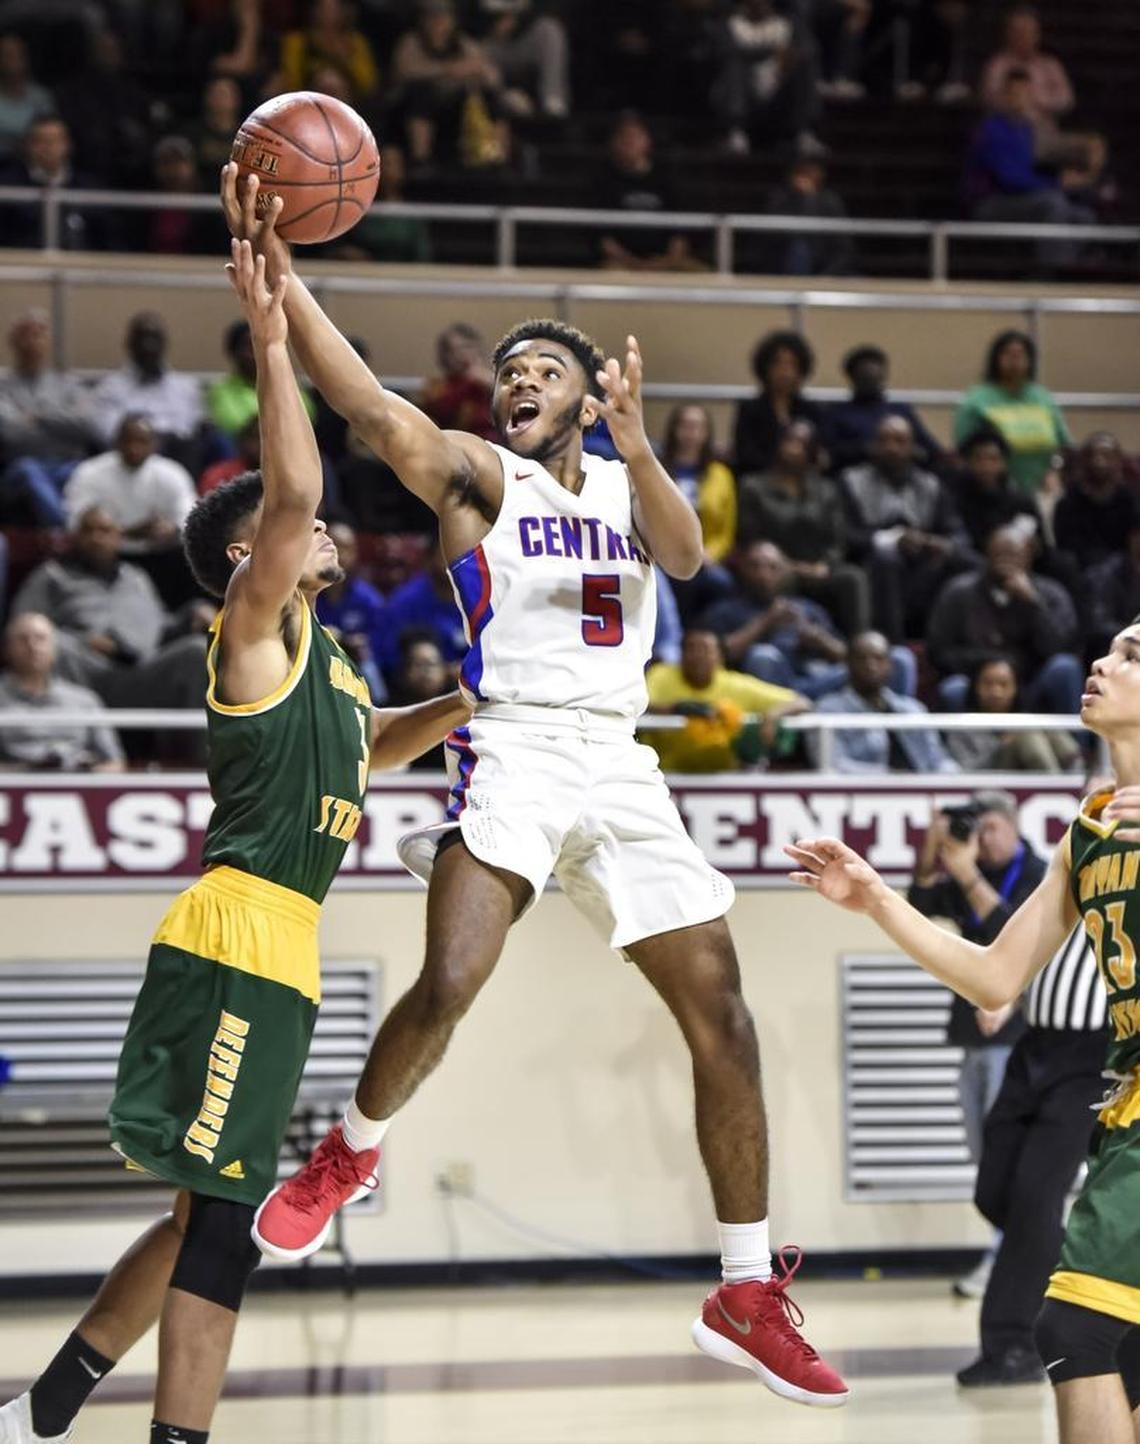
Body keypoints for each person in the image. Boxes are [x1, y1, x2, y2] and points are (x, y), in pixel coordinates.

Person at [223, 164, 849, 1407]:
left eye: (542, 371)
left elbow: (686, 555)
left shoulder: (624, 483)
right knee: (452, 979)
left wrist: (634, 437)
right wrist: (286, 292)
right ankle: (348, 1152)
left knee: (721, 1015)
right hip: (509, 740)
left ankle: (742, 1288)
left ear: (583, 396)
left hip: (621, 761)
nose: (519, 382)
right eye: (508, 370)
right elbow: (370, 413)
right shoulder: (474, 473)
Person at [0, 234, 468, 1444]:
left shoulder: (330, 664)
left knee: (203, 1207)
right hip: (235, 936)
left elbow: (366, 751)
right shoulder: (252, 636)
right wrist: (273, 332)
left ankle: (45, 1406)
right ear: (245, 561)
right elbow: (299, 491)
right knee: (229, 1220)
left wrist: (476, 701)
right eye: (287, 528)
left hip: (281, 947)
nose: (318, 531)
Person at [785, 627, 1140, 1444]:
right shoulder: (1084, 836)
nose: (1100, 664)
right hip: (1119, 1114)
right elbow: (992, 977)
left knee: (1073, 1329)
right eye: (1106, 650)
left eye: (1128, 657)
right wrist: (876, 898)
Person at [959, 922, 1106, 1387]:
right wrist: (1008, 996)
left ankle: (1013, 1347)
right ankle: (1075, 1256)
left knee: (1035, 1199)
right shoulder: (1064, 875)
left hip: (1093, 1057)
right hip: (1034, 1045)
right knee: (994, 1189)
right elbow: (1035, 949)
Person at [840, 414, 973, 643]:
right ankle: (893, 646)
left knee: (966, 562)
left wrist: (932, 542)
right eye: (885, 440)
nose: (892, 448)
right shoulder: (852, 481)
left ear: (913, 447)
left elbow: (958, 535)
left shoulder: (931, 484)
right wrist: (892, 540)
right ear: (873, 446)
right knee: (887, 559)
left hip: (922, 562)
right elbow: (846, 535)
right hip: (872, 562)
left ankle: (948, 644)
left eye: (900, 441)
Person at [927, 523, 1083, 715]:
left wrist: (1034, 604)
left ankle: (1078, 744)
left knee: (1065, 668)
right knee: (953, 689)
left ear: (1029, 556)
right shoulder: (958, 592)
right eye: (999, 554)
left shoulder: (1051, 594)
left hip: (1029, 685)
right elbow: (938, 651)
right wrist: (990, 663)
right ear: (986, 555)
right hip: (975, 686)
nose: (1006, 562)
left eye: (1014, 555)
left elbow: (1060, 647)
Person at [737, 419, 869, 636]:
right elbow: (751, 537)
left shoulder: (826, 489)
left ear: (813, 450)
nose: (794, 448)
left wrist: (825, 566)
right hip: (774, 566)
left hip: (817, 568)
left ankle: (858, 645)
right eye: (790, 441)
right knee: (771, 579)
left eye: (802, 443)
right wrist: (789, 566)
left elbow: (836, 540)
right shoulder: (754, 486)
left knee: (853, 577)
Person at [964, 70, 1096, 274]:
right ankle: (1051, 274)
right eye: (1014, 93)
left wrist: (1064, 178)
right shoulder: (990, 130)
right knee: (1052, 203)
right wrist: (1057, 183)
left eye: (1025, 93)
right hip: (992, 202)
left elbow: (1034, 169)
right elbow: (1009, 179)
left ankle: (1067, 269)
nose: (1019, 98)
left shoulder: (1027, 129)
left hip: (1025, 199)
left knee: (1083, 217)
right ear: (1004, 96)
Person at [645, 627, 809, 774]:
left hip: (724, 776)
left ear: (720, 657)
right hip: (667, 774)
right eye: (691, 649)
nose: (698, 656)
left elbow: (802, 702)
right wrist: (675, 709)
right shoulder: (661, 675)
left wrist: (772, 715)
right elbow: (638, 705)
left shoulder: (737, 685)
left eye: (706, 650)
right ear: (681, 655)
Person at [0, 308, 98, 527]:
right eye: (25, 335)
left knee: (88, 473)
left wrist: (38, 417)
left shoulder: (69, 385)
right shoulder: (3, 388)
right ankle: (63, 530)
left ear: (48, 341)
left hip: (68, 465)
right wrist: (60, 426)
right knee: (30, 472)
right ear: (13, 342)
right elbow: (10, 433)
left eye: (39, 334)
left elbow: (86, 426)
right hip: (21, 469)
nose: (32, 342)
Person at [809, 630, 956, 773]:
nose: (871, 666)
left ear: (890, 665)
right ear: (848, 664)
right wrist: (889, 778)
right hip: (865, 794)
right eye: (862, 659)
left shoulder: (913, 710)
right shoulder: (828, 711)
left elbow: (938, 760)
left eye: (878, 659)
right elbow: (833, 765)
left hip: (926, 791)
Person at [0, 611, 124, 772]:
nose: (32, 646)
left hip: (78, 788)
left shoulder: (85, 701)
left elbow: (115, 762)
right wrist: (30, 771)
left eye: (41, 638)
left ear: (54, 648)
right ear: (7, 648)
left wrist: (89, 774)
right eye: (23, 639)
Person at [954, 330, 1071, 498]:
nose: (1014, 360)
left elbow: (1063, 444)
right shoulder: (977, 399)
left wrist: (1055, 471)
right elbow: (963, 451)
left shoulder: (1042, 397)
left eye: (1020, 354)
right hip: (993, 492)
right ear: (996, 359)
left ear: (1030, 361)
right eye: (1008, 354)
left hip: (1043, 488)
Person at [390, 0, 506, 167]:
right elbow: (405, 71)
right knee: (421, 97)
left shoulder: (463, 44)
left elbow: (490, 74)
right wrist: (447, 70)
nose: (438, 22)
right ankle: (421, 160)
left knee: (494, 100)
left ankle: (497, 158)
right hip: (419, 106)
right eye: (432, 17)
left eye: (443, 17)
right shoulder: (412, 42)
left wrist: (477, 70)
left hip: (456, 104)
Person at [63, 416, 197, 557]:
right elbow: (74, 521)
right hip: (107, 554)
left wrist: (172, 529)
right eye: (128, 441)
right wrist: (124, 532)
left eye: (142, 442)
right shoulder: (89, 472)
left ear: (154, 444)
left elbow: (189, 517)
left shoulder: (172, 473)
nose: (134, 449)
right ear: (116, 442)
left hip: (160, 553)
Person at [596, 111, 701, 273]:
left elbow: (680, 233)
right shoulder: (603, 182)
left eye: (635, 136)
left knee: (700, 275)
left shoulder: (667, 180)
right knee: (611, 277)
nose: (629, 142)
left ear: (648, 141)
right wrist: (633, 264)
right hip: (622, 263)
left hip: (666, 260)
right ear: (613, 143)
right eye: (624, 137)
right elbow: (604, 239)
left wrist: (665, 262)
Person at [711, 0, 821, 156]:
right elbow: (722, 52)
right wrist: (772, 52)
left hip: (779, 95)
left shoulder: (788, 23)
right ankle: (736, 134)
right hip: (743, 97)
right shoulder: (729, 24)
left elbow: (809, 49)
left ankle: (804, 134)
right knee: (734, 66)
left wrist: (791, 57)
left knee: (804, 66)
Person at [91, 312, 204, 460]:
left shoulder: (186, 388)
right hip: (128, 458)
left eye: (154, 338)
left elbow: (186, 431)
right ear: (129, 344)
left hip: (175, 457)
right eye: (142, 338)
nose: (149, 345)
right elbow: (108, 432)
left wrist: (148, 434)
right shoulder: (109, 388)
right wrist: (148, 438)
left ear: (165, 344)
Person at [823, 344, 943, 476]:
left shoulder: (901, 410)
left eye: (876, 377)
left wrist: (907, 452)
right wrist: (869, 450)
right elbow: (832, 453)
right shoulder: (837, 413)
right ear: (852, 378)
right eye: (865, 378)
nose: (872, 382)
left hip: (903, 479)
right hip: (854, 481)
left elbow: (931, 449)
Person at [946, 655, 1081, 774]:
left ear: (1015, 689)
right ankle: (1056, 788)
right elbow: (966, 773)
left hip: (1028, 782)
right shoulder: (962, 726)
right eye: (988, 684)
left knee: (1044, 726)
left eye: (1003, 684)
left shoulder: (1026, 719)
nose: (996, 691)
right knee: (1026, 733)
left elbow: (1069, 752)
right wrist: (1003, 747)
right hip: (993, 785)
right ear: (976, 687)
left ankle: (1078, 782)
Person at [732, 329, 824, 479]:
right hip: (761, 483)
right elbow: (746, 455)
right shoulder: (750, 409)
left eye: (792, 364)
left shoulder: (811, 410)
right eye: (778, 363)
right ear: (766, 368)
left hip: (803, 483)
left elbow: (818, 454)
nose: (785, 372)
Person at [315, 520, 388, 702]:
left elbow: (382, 647)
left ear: (355, 554)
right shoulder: (308, 593)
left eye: (346, 548)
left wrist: (361, 645)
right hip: (318, 663)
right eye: (333, 546)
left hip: (356, 666)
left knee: (370, 668)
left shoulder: (369, 600)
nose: (339, 554)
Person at [660, 403, 736, 566]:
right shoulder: (656, 470)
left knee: (720, 582)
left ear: (707, 433)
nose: (691, 432)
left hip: (705, 558)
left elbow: (725, 532)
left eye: (698, 427)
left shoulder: (721, 474)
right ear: (674, 429)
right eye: (685, 425)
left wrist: (709, 555)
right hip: (662, 557)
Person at [474, 0, 571, 119]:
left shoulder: (540, 27)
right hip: (493, 48)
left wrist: (517, 16)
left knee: (550, 29)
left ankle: (553, 104)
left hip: (525, 38)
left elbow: (536, 9)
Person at [761, 157, 854, 278]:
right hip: (786, 258)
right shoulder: (780, 198)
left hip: (823, 261)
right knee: (799, 249)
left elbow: (843, 246)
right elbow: (772, 236)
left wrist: (827, 275)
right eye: (801, 175)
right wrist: (802, 199)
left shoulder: (830, 201)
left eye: (809, 175)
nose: (803, 181)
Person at [1053, 434, 1134, 572]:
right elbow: (1065, 545)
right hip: (1081, 568)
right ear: (1083, 461)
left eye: (1106, 456)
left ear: (1118, 461)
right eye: (1093, 455)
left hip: (1123, 569)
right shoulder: (1068, 501)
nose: (1099, 462)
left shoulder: (1130, 500)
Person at [279, 0, 381, 106]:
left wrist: (346, 58)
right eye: (323, 8)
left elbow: (368, 84)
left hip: (349, 104)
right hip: (306, 102)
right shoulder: (298, 41)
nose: (328, 13)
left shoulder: (355, 42)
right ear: (314, 11)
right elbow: (291, 81)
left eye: (334, 8)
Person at [419, 323, 496, 440]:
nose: (463, 354)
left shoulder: (492, 382)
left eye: (468, 347)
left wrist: (492, 384)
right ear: (445, 356)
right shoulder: (435, 388)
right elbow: (442, 413)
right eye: (455, 350)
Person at [0, 31, 52, 159]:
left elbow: (50, 132)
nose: (14, 60)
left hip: (35, 163)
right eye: (7, 55)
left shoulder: (40, 97)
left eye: (19, 54)